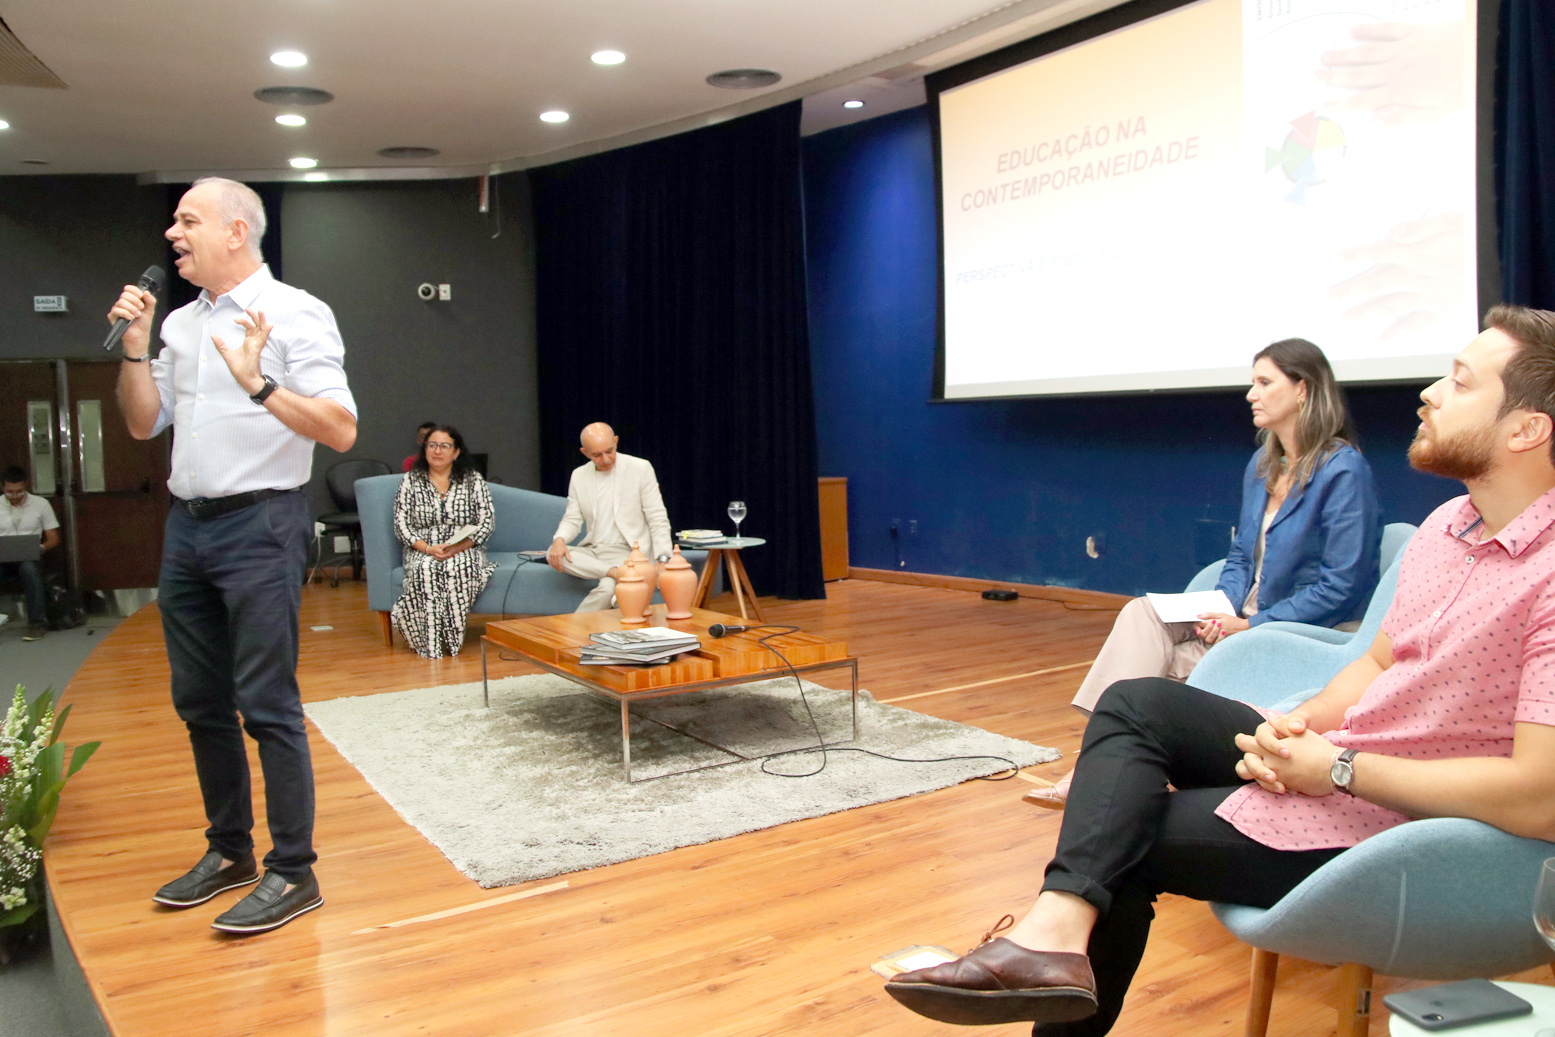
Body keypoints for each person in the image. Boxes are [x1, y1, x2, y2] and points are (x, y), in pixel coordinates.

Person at [883, 304, 1555, 1034]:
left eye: (1457, 383)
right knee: (1138, 702)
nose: (1427, 392)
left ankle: (1051, 938)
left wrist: (1333, 769)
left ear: (1525, 428)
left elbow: (1536, 799)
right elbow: (1375, 662)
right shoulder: (1442, 526)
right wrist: (1293, 726)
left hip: (1410, 822)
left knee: (1122, 838)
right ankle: (1052, 928)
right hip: (1349, 760)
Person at [108, 176, 357, 935]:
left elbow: (340, 429)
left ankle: (293, 870)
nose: (173, 233)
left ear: (236, 232)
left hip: (262, 525)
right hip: (188, 527)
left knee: (266, 702)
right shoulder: (181, 325)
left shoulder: (297, 313)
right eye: (174, 221)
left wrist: (258, 383)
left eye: (188, 220)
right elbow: (144, 424)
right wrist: (133, 348)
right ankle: (229, 852)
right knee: (199, 701)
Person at [1032, 339, 1382, 808]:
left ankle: (1100, 766)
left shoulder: (1344, 471)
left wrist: (1251, 624)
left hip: (1304, 628)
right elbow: (1240, 557)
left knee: (1160, 663)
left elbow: (1341, 585)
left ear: (1303, 390)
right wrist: (1222, 608)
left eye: (1264, 383)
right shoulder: (1262, 465)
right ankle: (1102, 757)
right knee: (1142, 615)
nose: (1251, 395)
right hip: (1246, 615)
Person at [391, 425, 497, 657]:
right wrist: (428, 548)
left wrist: (457, 548)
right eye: (432, 445)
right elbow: (401, 525)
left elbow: (486, 522)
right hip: (422, 548)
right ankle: (430, 644)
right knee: (427, 569)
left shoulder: (473, 480)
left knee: (457, 568)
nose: (437, 451)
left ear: (456, 452)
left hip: (464, 548)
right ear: (425, 449)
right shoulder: (410, 480)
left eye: (445, 446)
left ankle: (451, 638)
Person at [547, 422, 673, 612]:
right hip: (595, 552)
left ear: (616, 442)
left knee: (606, 588)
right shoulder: (579, 475)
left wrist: (663, 559)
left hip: (630, 553)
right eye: (597, 455)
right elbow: (573, 519)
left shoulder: (640, 468)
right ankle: (617, 573)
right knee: (553, 554)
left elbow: (657, 517)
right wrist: (559, 540)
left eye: (610, 451)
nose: (605, 459)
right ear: (585, 452)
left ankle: (572, 633)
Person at [0, 464, 60, 641]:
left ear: (25, 486)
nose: (15, 496)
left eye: (19, 491)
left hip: (29, 558)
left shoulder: (40, 504)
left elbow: (53, 538)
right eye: (10, 492)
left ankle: (37, 624)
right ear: (2, 487)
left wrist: (40, 548)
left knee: (29, 570)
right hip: (2, 560)